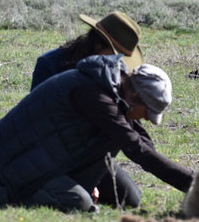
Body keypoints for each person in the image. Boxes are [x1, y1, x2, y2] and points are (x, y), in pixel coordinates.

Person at [0, 56, 193, 212]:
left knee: (128, 198)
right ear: (136, 96)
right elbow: (136, 149)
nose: (145, 119)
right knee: (78, 203)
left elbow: (141, 143)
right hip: (22, 158)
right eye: (146, 112)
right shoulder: (96, 95)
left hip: (55, 156)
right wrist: (198, 184)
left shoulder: (114, 90)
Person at [31, 11, 145, 208]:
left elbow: (126, 129)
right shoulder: (50, 65)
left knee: (130, 198)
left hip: (91, 156)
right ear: (98, 45)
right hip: (52, 155)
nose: (120, 64)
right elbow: (41, 128)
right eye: (117, 55)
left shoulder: (114, 74)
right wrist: (84, 180)